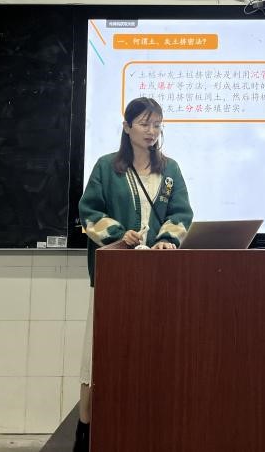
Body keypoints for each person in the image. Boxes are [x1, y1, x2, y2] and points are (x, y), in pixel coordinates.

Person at [74, 96, 193, 451]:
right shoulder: (106, 167)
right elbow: (89, 213)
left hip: (158, 279)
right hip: (114, 277)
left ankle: (148, 428)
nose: (151, 131)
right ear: (127, 127)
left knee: (154, 353)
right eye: (144, 124)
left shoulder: (170, 170)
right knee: (97, 355)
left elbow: (182, 213)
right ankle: (86, 430)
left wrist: (167, 240)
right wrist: (119, 235)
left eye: (157, 125)